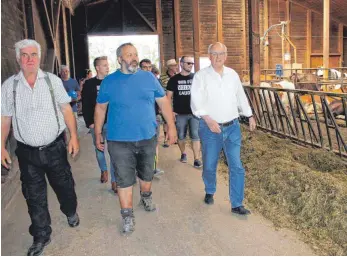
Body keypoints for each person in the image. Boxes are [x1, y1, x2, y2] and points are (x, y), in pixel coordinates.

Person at [1, 39, 80, 256]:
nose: (29, 59)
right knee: (34, 196)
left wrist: (73, 137)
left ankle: (70, 210)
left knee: (64, 186)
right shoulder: (10, 86)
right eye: (24, 55)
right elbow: (5, 119)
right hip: (27, 153)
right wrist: (1, 146)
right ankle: (41, 235)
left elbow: (66, 111)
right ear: (18, 59)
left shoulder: (52, 81)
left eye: (33, 55)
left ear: (39, 57)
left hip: (54, 148)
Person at [94, 43, 177, 235]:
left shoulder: (148, 77)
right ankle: (127, 215)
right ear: (120, 59)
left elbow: (163, 101)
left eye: (135, 54)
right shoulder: (109, 81)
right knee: (124, 179)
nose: (133, 57)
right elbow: (100, 108)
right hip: (119, 141)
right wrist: (98, 132)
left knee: (147, 173)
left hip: (147, 137)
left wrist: (170, 127)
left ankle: (146, 195)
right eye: (129, 54)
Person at [190, 42, 256, 215]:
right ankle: (210, 190)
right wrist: (207, 118)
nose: (218, 57)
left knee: (237, 166)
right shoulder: (201, 76)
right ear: (209, 55)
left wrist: (249, 115)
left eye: (221, 54)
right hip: (210, 127)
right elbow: (196, 100)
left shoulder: (232, 75)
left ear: (226, 56)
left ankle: (236, 203)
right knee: (210, 164)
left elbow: (240, 96)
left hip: (232, 126)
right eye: (214, 53)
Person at [82, 56, 118, 193]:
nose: (107, 67)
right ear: (97, 68)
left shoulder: (112, 82)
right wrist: (89, 122)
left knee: (114, 152)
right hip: (96, 123)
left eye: (108, 65)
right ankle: (104, 170)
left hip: (112, 122)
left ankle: (115, 180)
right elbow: (85, 104)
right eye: (104, 65)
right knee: (99, 150)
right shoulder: (89, 84)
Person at [166, 56, 202, 168]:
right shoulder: (173, 80)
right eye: (188, 63)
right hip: (180, 113)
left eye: (192, 63)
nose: (191, 65)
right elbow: (168, 98)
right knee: (181, 136)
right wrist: (170, 111)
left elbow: (202, 94)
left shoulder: (196, 78)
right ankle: (183, 153)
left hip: (194, 113)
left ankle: (196, 159)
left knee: (195, 136)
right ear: (181, 64)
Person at [139, 59, 164, 177]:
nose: (148, 69)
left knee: (154, 143)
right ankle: (140, 167)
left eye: (149, 67)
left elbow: (162, 100)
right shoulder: (136, 83)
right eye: (145, 67)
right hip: (140, 118)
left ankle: (153, 168)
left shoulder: (156, 82)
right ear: (140, 68)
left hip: (155, 117)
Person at [160, 59, 178, 147]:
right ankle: (166, 139)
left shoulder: (178, 76)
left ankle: (174, 137)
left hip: (176, 102)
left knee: (175, 120)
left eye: (176, 65)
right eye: (174, 66)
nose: (176, 67)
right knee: (166, 120)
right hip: (166, 101)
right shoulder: (162, 77)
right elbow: (160, 90)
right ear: (169, 67)